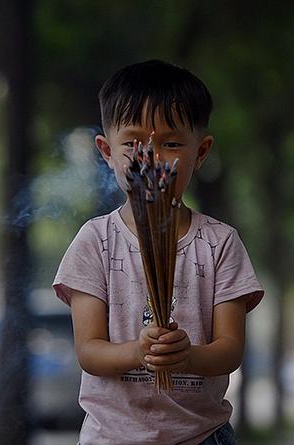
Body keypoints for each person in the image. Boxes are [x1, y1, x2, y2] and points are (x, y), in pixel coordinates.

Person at [53, 59, 264, 445]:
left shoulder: (221, 243)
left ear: (200, 152)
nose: (150, 157)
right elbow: (89, 351)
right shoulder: (94, 241)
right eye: (132, 143)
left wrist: (188, 356)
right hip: (112, 438)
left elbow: (230, 349)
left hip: (203, 437)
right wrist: (138, 351)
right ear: (106, 150)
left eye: (170, 143)